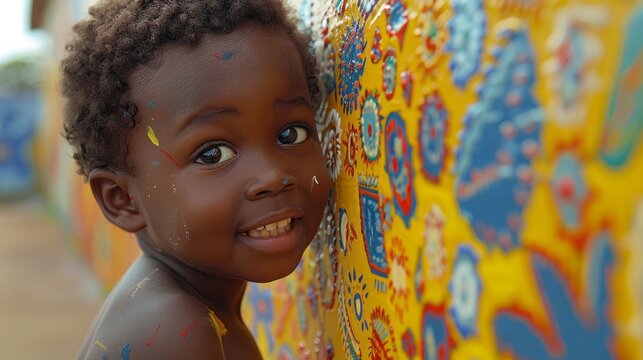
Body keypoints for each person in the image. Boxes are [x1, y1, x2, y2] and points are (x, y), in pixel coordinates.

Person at [61, 0, 330, 358]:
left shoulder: (174, 306)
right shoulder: (181, 334)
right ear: (122, 199)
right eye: (213, 154)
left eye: (290, 134)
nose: (272, 176)